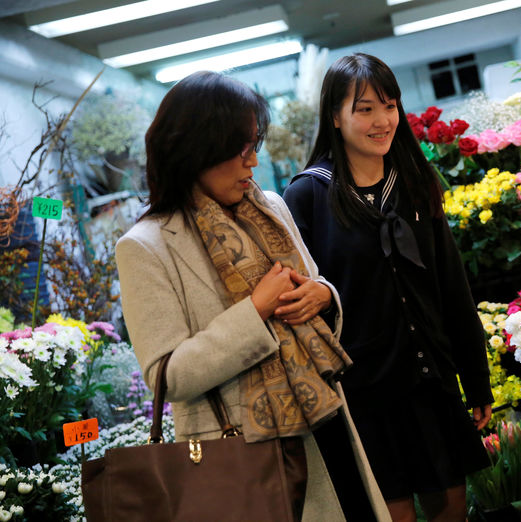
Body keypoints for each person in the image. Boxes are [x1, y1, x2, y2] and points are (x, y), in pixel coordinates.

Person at [115, 70, 390, 522]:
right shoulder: (146, 245)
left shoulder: (269, 207)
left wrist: (321, 296)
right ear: (197, 149)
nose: (253, 163)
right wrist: (256, 311)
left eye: (254, 144)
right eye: (241, 149)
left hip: (327, 423)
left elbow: (317, 287)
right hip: (243, 451)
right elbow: (169, 374)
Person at [282, 53, 493, 522]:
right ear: (335, 117)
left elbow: (451, 287)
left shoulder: (415, 182)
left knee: (452, 506)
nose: (382, 121)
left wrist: (475, 379)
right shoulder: (307, 196)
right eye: (365, 109)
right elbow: (298, 300)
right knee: (391, 514)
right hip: (362, 394)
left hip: (431, 380)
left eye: (390, 105)